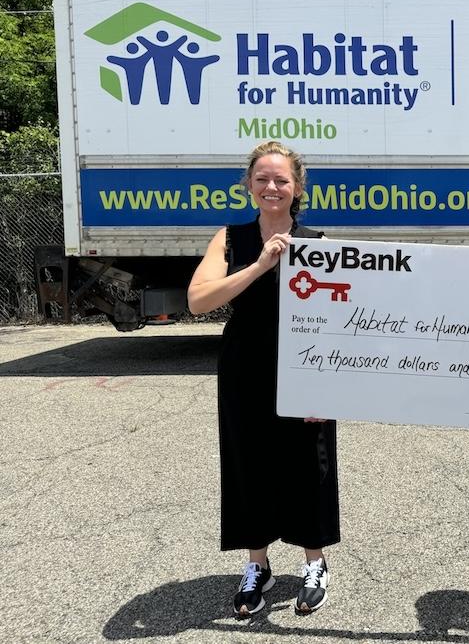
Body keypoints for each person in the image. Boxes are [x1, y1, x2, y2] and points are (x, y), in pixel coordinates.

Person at [187, 141, 340, 618]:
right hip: (245, 366)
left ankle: (315, 562)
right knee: (248, 462)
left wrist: (331, 383)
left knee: (309, 463)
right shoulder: (230, 238)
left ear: (297, 188)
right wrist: (259, 265)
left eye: (281, 180)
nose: (272, 187)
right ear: (249, 185)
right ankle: (258, 566)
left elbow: (343, 317)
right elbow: (198, 301)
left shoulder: (319, 241)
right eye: (262, 179)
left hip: (305, 366)